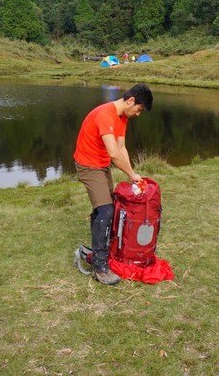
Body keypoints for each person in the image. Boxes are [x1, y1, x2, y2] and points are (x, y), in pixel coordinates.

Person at [73, 83, 153, 285]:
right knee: (106, 210)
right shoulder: (105, 114)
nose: (138, 114)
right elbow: (113, 153)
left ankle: (91, 251)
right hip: (89, 165)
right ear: (131, 101)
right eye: (139, 109)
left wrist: (131, 173)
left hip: (101, 164)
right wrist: (132, 174)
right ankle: (100, 268)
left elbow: (121, 148)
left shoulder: (122, 118)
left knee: (107, 208)